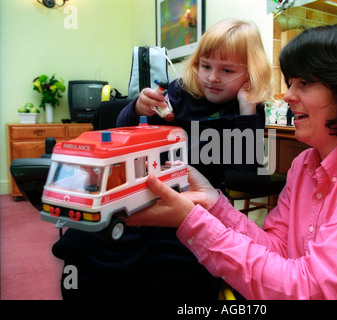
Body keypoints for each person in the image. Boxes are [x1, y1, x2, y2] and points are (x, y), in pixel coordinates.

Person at [124, 24, 337, 299]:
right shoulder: (305, 164)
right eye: (291, 83)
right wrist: (212, 203)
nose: (288, 95)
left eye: (304, 84)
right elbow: (276, 247)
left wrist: (192, 221)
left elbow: (311, 290)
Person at [52, 19, 272, 299]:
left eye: (226, 70)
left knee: (184, 271)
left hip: (194, 205)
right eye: (206, 66)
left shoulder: (246, 110)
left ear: (250, 74)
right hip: (141, 190)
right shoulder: (178, 92)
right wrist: (136, 108)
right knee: (86, 245)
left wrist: (246, 107)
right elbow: (122, 133)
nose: (212, 77)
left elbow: (246, 167)